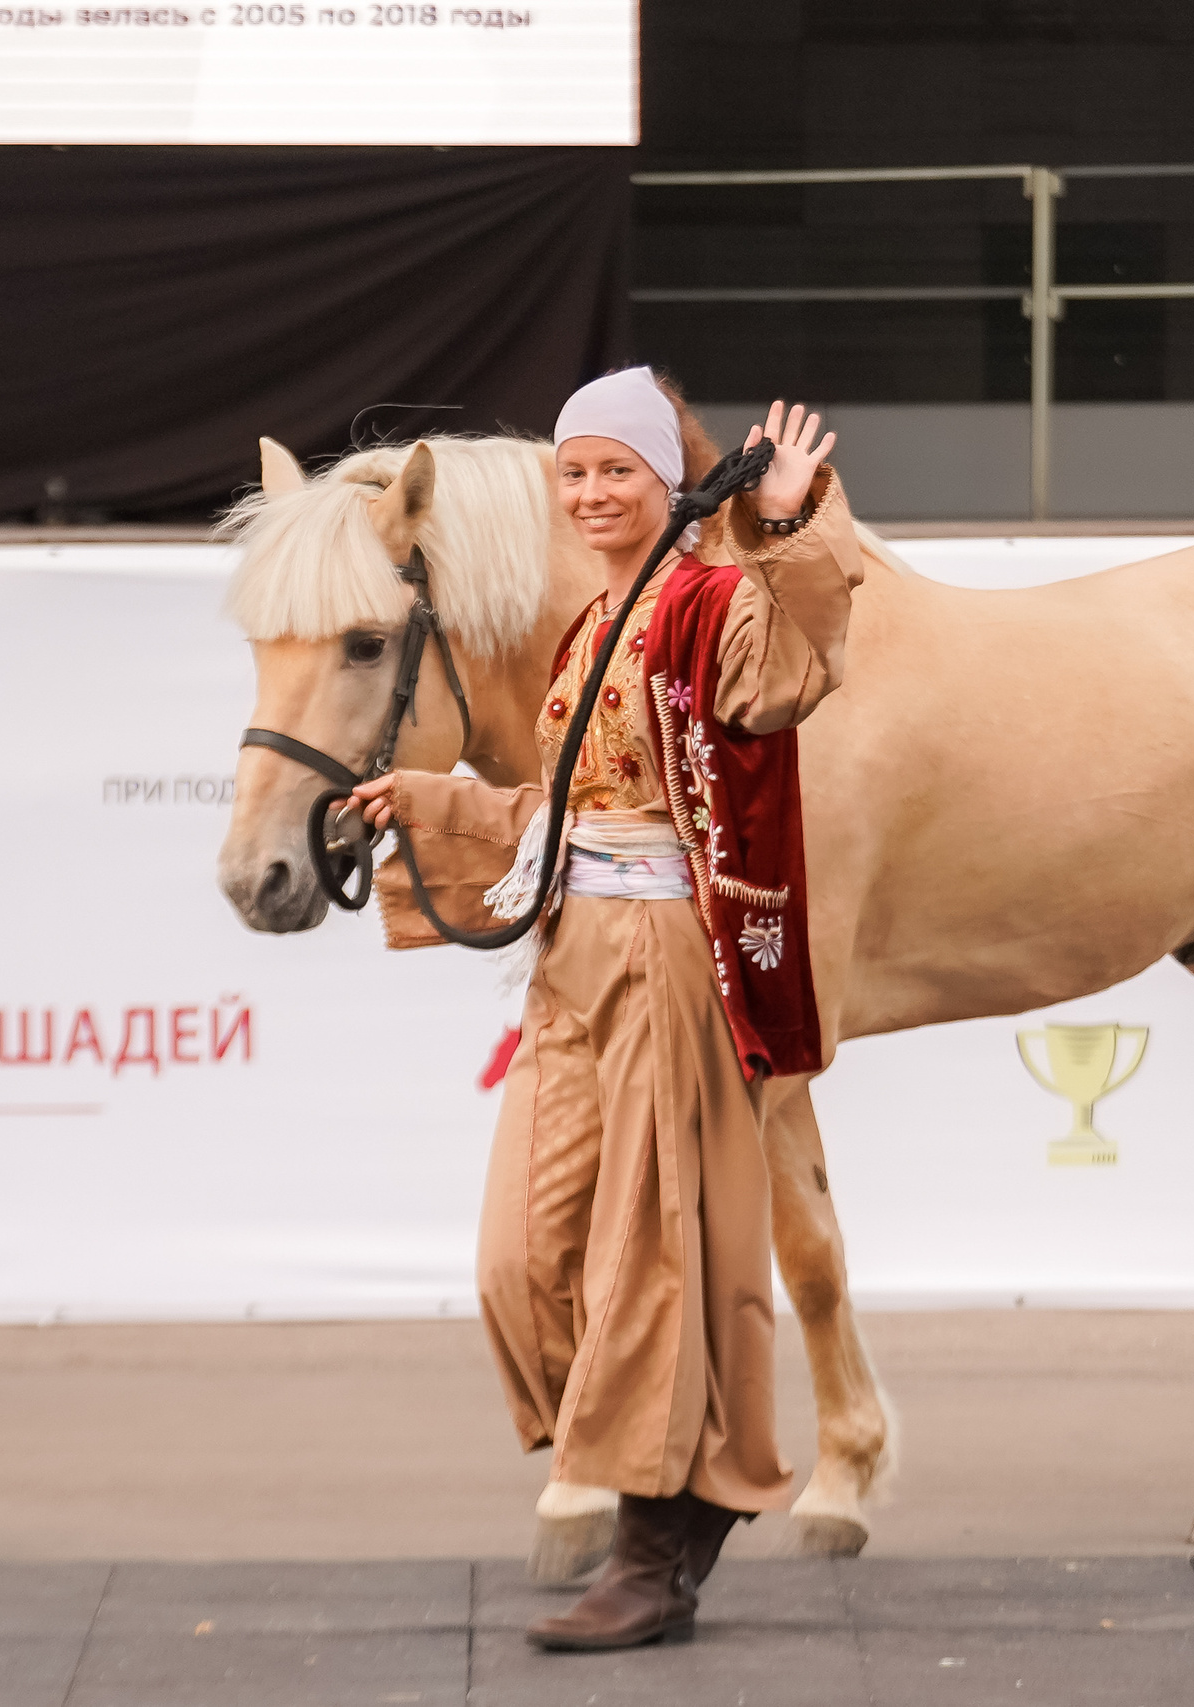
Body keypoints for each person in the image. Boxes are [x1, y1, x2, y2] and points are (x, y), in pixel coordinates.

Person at [350, 368, 862, 1650]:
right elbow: (564, 814)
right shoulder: (591, 635)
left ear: (663, 482)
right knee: (523, 1258)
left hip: (664, 960)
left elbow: (788, 678)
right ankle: (676, 1475)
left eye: (615, 471)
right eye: (572, 472)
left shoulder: (704, 606)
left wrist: (789, 526)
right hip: (575, 959)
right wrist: (432, 803)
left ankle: (655, 1544)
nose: (589, 492)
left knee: (654, 1251)